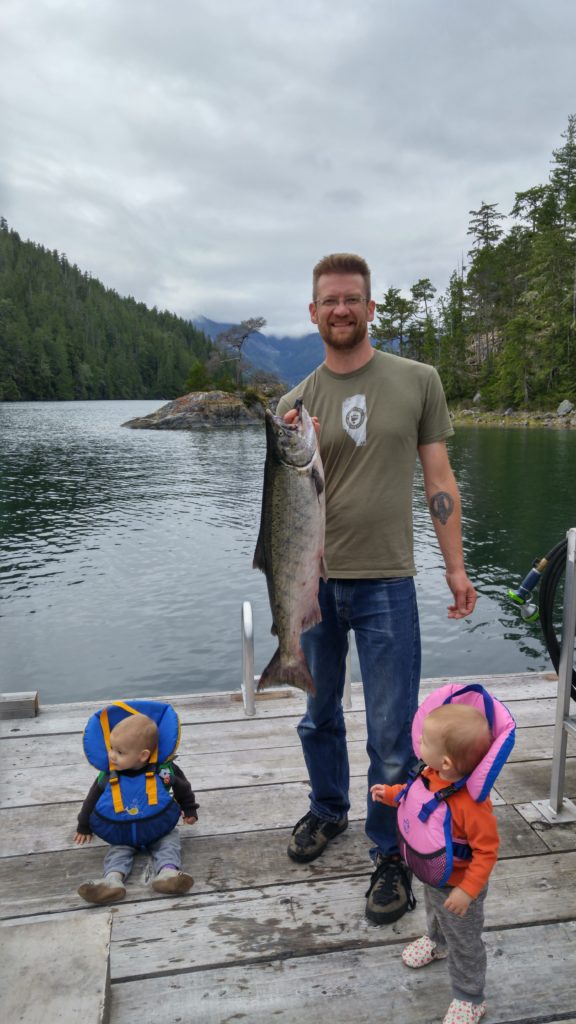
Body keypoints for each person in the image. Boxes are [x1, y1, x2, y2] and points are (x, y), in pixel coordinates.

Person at [276, 252, 477, 926]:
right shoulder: (292, 407)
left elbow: (440, 481)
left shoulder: (417, 381)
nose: (341, 310)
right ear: (313, 312)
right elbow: (280, 513)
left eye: (352, 299)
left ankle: (388, 850)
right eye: (329, 300)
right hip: (315, 589)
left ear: (369, 308)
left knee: (393, 736)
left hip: (389, 580)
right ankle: (328, 808)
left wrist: (454, 566)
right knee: (318, 715)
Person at [371, 702, 499, 1024]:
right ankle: (437, 942)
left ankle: (470, 997)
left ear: (446, 761)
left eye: (425, 741)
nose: (418, 743)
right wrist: (391, 794)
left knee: (466, 942)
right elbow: (414, 794)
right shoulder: (429, 773)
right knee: (434, 911)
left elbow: (487, 852)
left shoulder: (473, 805)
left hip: (459, 886)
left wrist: (469, 890)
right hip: (431, 872)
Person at [74, 709, 198, 903]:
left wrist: (190, 809)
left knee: (169, 841)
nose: (112, 756)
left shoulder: (163, 771)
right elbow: (91, 800)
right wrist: (84, 825)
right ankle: (112, 881)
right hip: (122, 832)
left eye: (120, 752)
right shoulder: (108, 776)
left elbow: (182, 787)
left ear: (143, 755)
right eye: (111, 748)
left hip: (158, 829)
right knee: (117, 851)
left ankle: (168, 874)